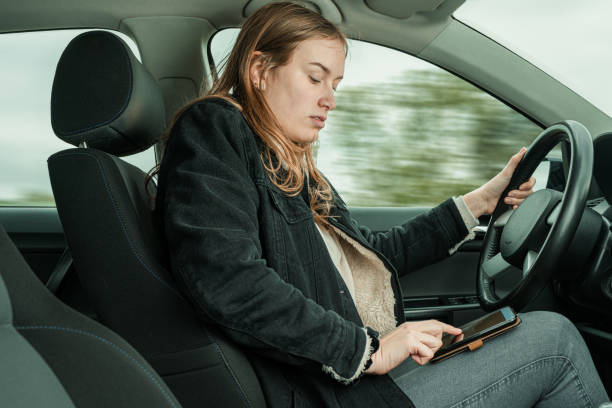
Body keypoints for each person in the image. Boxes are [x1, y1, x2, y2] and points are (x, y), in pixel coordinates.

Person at [152, 2, 609, 407]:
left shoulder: (291, 167)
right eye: (314, 77)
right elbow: (230, 279)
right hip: (328, 392)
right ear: (259, 70)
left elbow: (374, 253)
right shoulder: (215, 126)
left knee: (518, 331)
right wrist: (366, 350)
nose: (330, 99)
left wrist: (482, 201)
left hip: (352, 381)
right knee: (554, 340)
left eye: (336, 83)